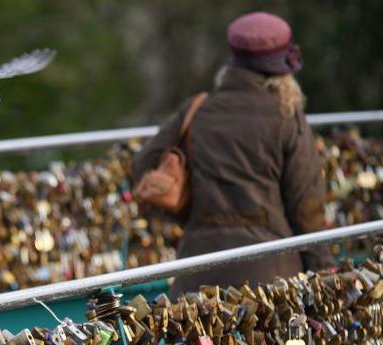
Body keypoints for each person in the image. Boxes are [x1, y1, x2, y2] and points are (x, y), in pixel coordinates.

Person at [132, 11, 333, 296]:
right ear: (282, 69)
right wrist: (324, 274)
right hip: (270, 281)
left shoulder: (198, 108)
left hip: (196, 277)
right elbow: (306, 208)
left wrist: (187, 208)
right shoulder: (287, 117)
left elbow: (143, 165)